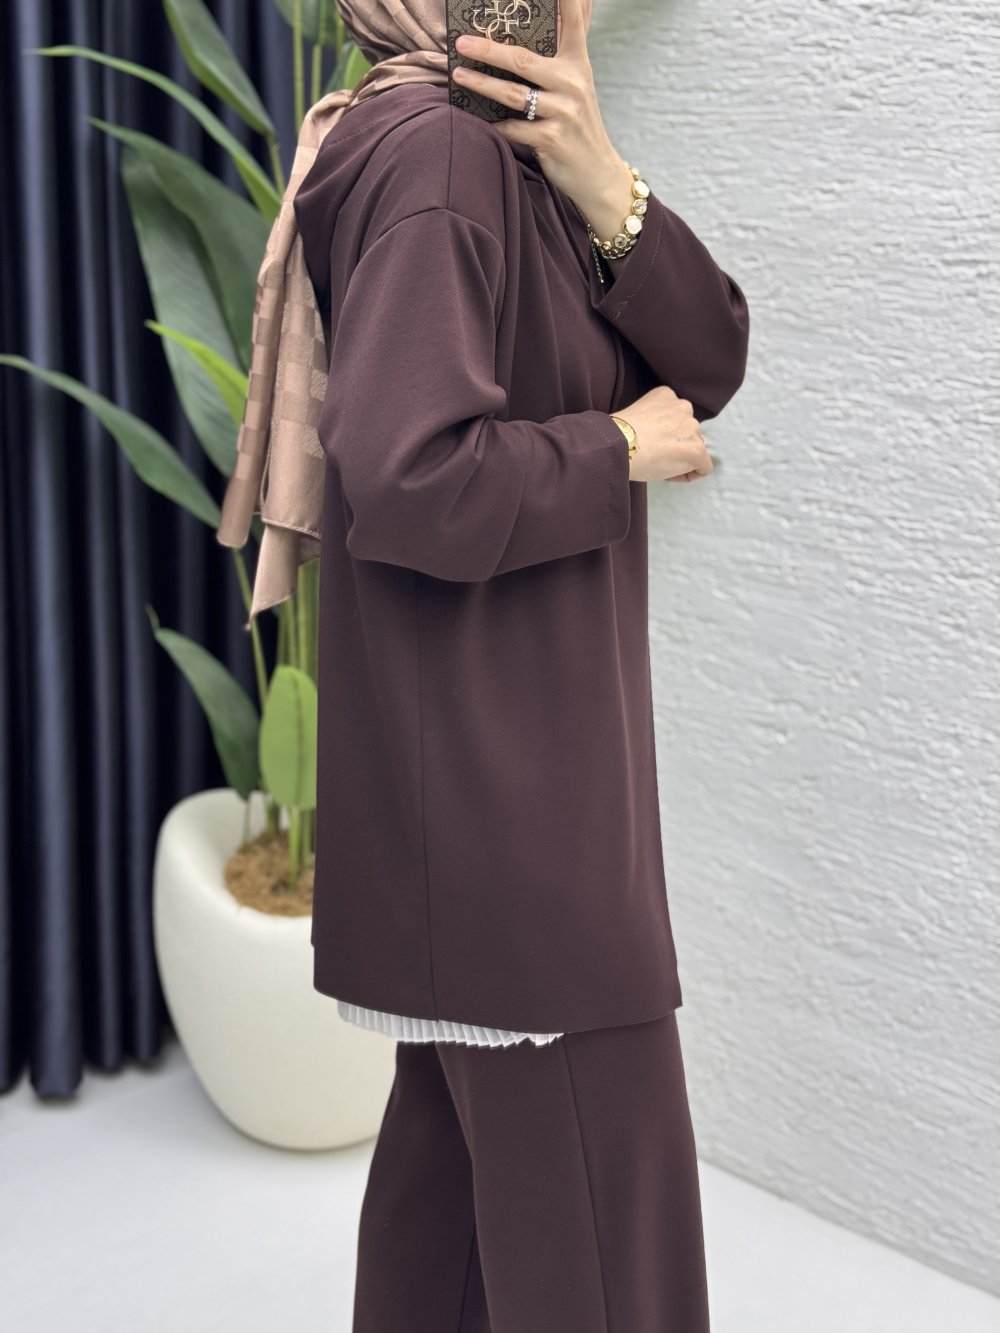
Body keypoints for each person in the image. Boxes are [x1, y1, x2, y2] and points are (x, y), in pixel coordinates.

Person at [219, 1, 750, 1328]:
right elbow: (410, 477)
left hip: (485, 811)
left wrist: (605, 179)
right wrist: (616, 447)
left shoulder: (506, 146)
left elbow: (713, 354)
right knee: (612, 1275)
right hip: (518, 835)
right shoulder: (443, 156)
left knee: (443, 1247)